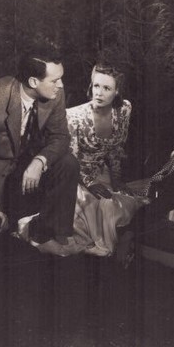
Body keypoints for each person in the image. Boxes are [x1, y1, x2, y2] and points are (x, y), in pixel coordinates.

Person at [0, 44, 79, 253]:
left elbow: (60, 137)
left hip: (25, 165)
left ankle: (46, 234)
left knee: (68, 163)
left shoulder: (55, 93)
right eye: (55, 80)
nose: (61, 85)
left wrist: (40, 161)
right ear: (33, 82)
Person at [66, 62, 144, 258]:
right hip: (76, 177)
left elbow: (116, 149)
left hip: (102, 173)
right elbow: (70, 161)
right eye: (96, 86)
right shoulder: (73, 116)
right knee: (96, 210)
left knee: (121, 203)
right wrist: (89, 183)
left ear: (117, 91)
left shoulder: (124, 109)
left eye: (107, 88)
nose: (99, 93)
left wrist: (116, 180)